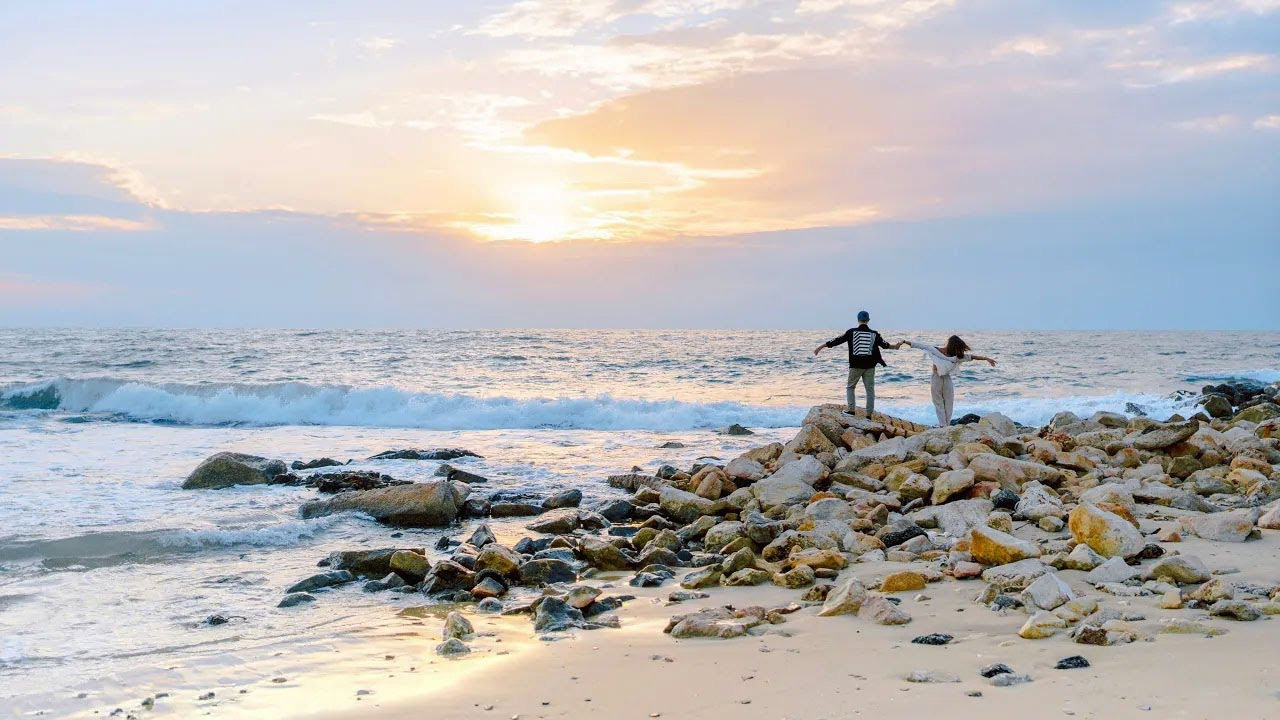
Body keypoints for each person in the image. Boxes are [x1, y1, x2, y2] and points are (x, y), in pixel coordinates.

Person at [893, 335, 996, 426]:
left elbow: (971, 357)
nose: (958, 350)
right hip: (936, 377)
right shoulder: (936, 350)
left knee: (949, 402)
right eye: (956, 347)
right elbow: (920, 345)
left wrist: (986, 358)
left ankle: (946, 424)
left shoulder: (955, 357)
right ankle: (943, 425)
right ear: (952, 345)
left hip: (947, 378)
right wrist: (904, 342)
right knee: (938, 402)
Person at [812, 310, 895, 417]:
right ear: (868, 320)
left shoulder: (851, 332)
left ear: (858, 320)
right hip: (870, 366)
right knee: (870, 390)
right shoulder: (874, 334)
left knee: (851, 387)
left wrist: (821, 347)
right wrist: (896, 346)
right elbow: (886, 345)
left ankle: (851, 410)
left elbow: (837, 340)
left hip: (855, 365)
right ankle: (869, 415)